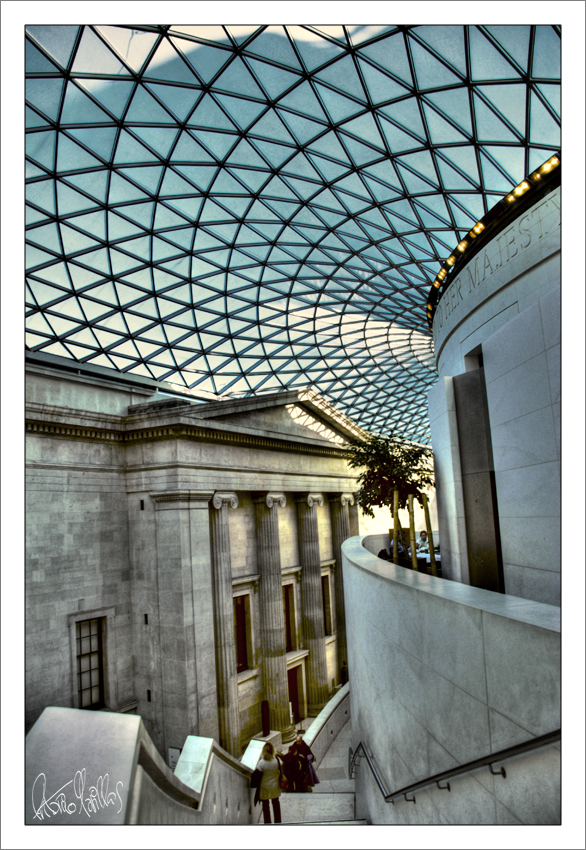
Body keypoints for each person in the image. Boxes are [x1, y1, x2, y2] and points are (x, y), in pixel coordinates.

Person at [257, 741, 282, 823]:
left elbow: (257, 774)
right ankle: (278, 821)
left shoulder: (261, 763)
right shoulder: (276, 760)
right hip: (274, 785)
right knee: (276, 803)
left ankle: (267, 822)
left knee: (265, 805)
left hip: (264, 787)